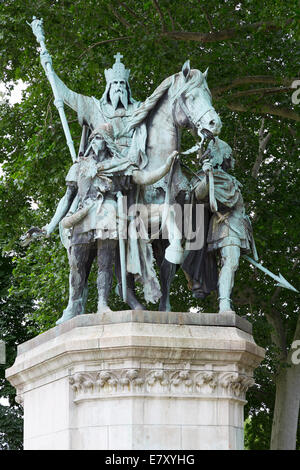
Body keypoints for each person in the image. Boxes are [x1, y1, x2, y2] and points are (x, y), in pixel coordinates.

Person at [43, 123, 177, 324]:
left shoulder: (119, 165)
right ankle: (73, 303)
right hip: (82, 215)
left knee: (105, 263)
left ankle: (102, 304)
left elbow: (144, 178)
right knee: (76, 264)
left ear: (107, 142)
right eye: (94, 138)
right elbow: (68, 197)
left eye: (101, 139)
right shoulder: (79, 165)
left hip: (108, 214)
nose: (97, 142)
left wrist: (166, 166)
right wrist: (51, 225)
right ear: (90, 141)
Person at [183, 137, 257, 313]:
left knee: (233, 264)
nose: (232, 159)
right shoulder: (209, 176)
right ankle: (224, 303)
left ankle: (225, 302)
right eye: (229, 155)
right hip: (225, 225)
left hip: (239, 227)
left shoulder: (229, 178)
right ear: (222, 156)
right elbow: (200, 195)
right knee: (230, 262)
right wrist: (207, 177)